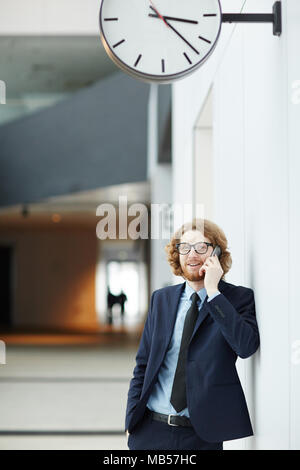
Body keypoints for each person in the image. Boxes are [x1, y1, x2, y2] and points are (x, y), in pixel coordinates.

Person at [125, 218, 260, 450]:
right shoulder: (162, 299)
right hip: (150, 430)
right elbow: (143, 364)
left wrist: (213, 292)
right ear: (177, 254)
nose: (192, 254)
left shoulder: (237, 299)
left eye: (201, 247)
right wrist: (131, 418)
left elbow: (245, 347)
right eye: (184, 248)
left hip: (202, 436)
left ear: (216, 252)